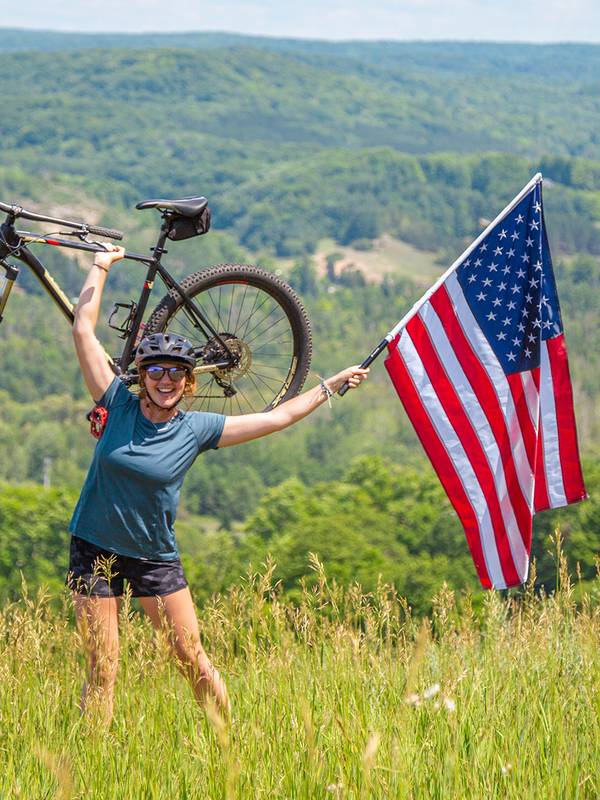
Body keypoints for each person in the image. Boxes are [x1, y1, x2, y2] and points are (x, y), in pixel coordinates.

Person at [68, 244, 369, 725]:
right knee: (102, 670)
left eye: (175, 373)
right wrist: (102, 264)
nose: (165, 379)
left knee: (192, 660)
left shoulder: (197, 429)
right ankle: (89, 766)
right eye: (156, 371)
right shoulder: (116, 402)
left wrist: (328, 386)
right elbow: (83, 329)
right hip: (93, 548)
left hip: (153, 556)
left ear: (188, 382)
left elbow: (278, 417)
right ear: (142, 376)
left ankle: (232, 744)